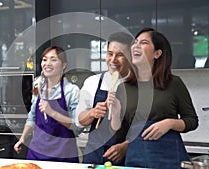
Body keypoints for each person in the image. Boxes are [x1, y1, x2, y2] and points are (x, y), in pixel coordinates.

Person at [114, 28, 199, 169]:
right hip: (137, 157)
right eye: (135, 43)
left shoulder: (174, 83)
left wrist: (170, 123)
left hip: (169, 157)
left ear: (157, 53)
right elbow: (121, 134)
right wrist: (115, 115)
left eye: (143, 42)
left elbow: (192, 120)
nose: (136, 46)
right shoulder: (124, 88)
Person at [14, 46, 81, 162]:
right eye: (45, 60)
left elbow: (77, 126)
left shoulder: (71, 91)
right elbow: (32, 117)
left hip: (63, 155)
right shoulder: (38, 86)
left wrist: (52, 112)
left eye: (53, 59)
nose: (47, 63)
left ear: (64, 65)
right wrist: (23, 138)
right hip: (37, 152)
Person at [76, 31, 134, 165]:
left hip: (125, 156)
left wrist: (126, 145)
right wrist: (92, 113)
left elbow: (143, 127)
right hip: (94, 154)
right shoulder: (93, 82)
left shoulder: (138, 87)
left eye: (120, 55)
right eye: (110, 53)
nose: (113, 60)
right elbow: (79, 120)